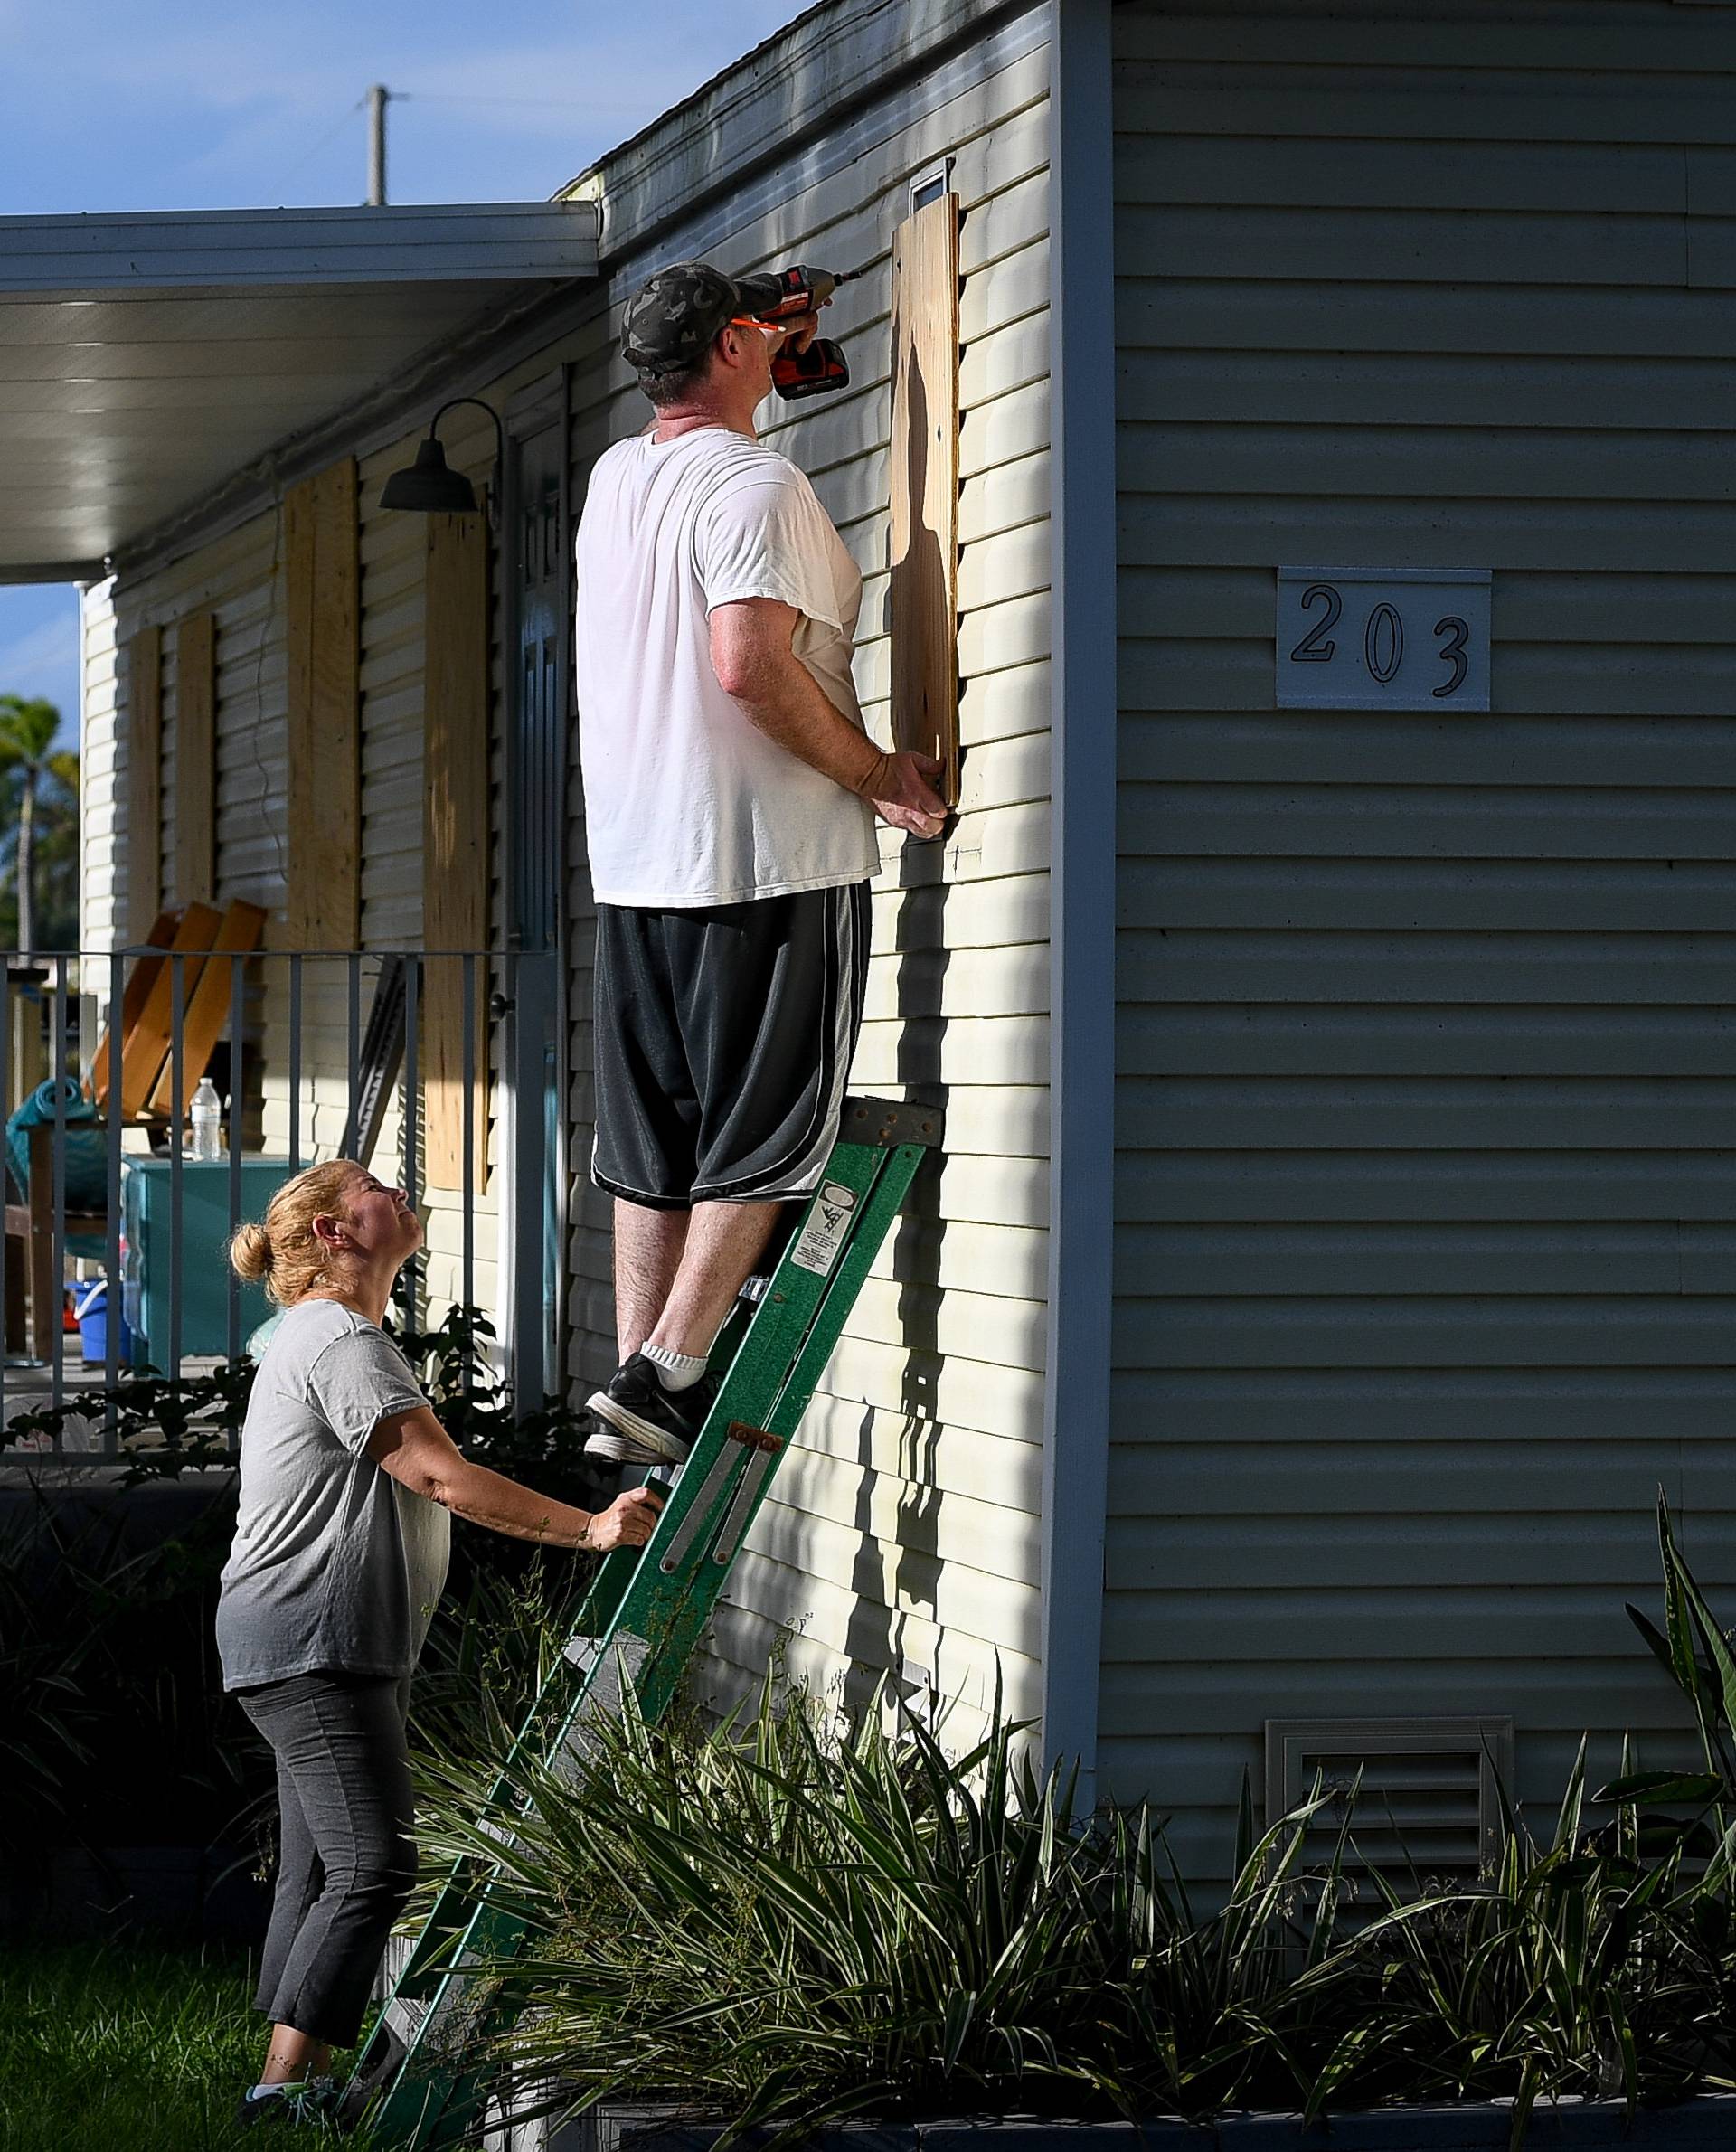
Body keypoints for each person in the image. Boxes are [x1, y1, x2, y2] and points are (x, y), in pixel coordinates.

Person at [572, 260, 948, 1472]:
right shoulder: (756, 483)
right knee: (763, 1135)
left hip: (638, 869)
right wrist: (879, 773)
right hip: (762, 860)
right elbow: (747, 663)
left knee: (659, 1148)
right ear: (738, 344)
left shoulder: (616, 479)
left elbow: (693, 411)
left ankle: (638, 1389)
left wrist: (746, 341)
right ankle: (672, 1370)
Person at [214, 1159, 662, 2128]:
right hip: (314, 1638)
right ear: (336, 1233)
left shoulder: (326, 1333)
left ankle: (278, 2089)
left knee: (324, 1867)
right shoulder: (339, 1341)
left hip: (302, 1634)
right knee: (375, 1865)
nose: (400, 1188)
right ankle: (280, 2097)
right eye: (374, 1185)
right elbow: (438, 1475)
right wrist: (588, 1529)